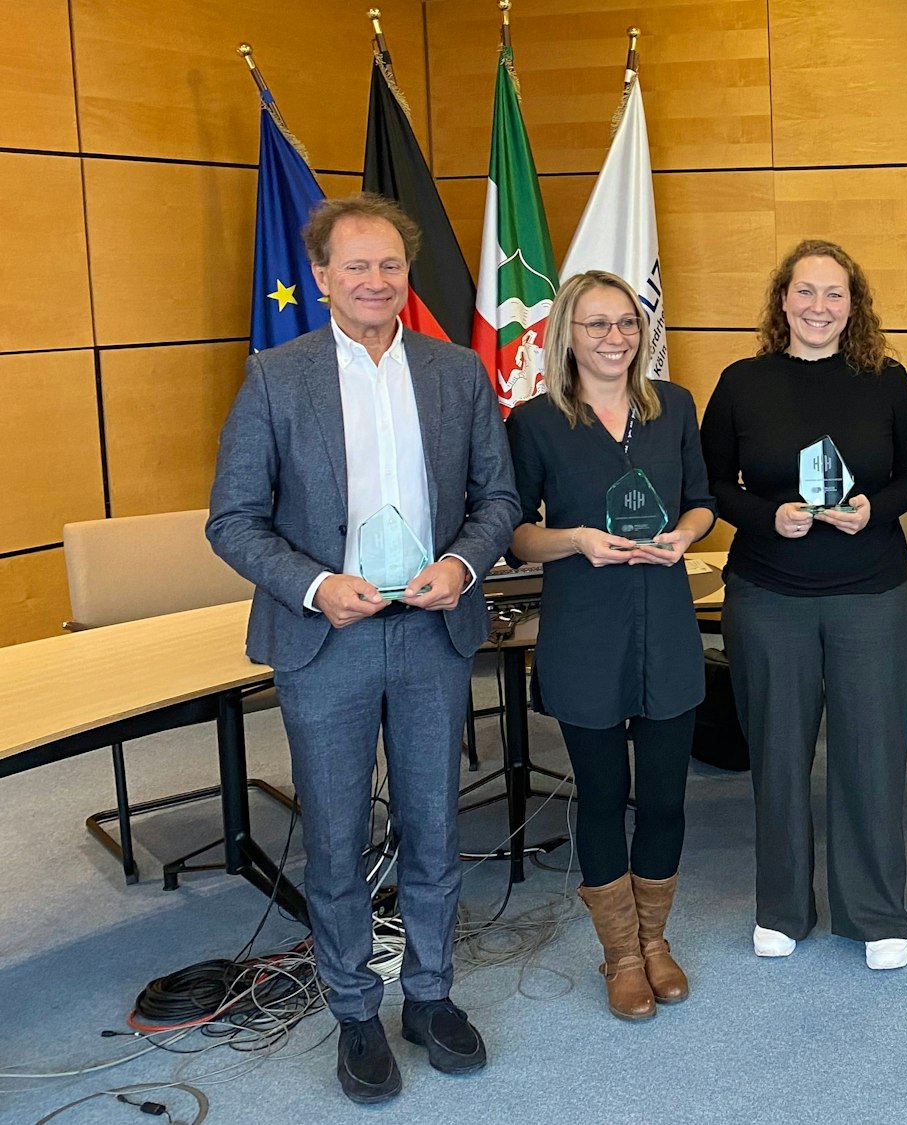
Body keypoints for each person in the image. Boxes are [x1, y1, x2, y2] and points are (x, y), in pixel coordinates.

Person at [206, 193, 519, 1104]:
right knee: (337, 838)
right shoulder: (276, 375)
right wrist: (312, 583)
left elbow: (498, 499)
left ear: (405, 272)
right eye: (356, 266)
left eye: (388, 265)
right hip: (325, 639)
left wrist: (463, 564)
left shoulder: (457, 373)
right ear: (322, 276)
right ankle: (352, 1008)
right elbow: (232, 518)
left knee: (432, 826)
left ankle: (428, 995)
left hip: (432, 632)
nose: (375, 280)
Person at [701, 240, 907, 971]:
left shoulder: (886, 379)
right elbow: (711, 483)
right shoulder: (741, 382)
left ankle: (874, 911)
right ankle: (782, 906)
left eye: (835, 294)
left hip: (872, 591)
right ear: (782, 300)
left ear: (853, 305)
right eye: (806, 292)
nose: (819, 307)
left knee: (871, 754)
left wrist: (873, 508)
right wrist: (768, 515)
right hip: (770, 593)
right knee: (776, 753)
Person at [505, 270, 715, 1020]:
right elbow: (515, 537)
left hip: (665, 624)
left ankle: (656, 943)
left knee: (663, 797)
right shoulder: (534, 422)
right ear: (568, 333)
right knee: (601, 796)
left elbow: (704, 501)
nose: (614, 337)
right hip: (585, 631)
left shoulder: (676, 406)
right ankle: (621, 955)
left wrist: (685, 535)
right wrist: (578, 541)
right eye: (596, 324)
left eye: (626, 322)